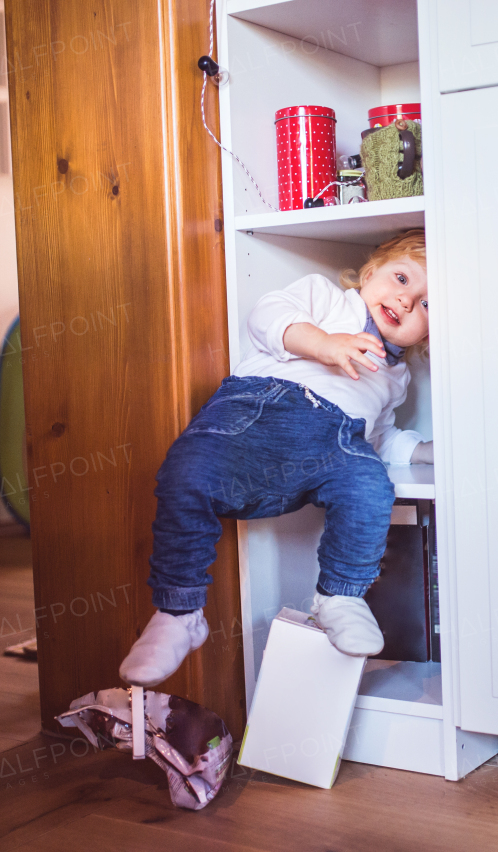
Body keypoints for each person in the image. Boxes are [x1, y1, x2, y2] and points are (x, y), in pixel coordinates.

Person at [119, 229, 433, 686]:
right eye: (402, 279)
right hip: (255, 411)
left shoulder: (395, 374)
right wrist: (325, 344)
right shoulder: (326, 299)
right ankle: (179, 611)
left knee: (370, 487)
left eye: (426, 304)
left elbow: (378, 435)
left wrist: (422, 451)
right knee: (186, 473)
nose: (406, 301)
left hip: (335, 439)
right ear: (368, 274)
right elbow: (267, 316)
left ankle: (340, 596)